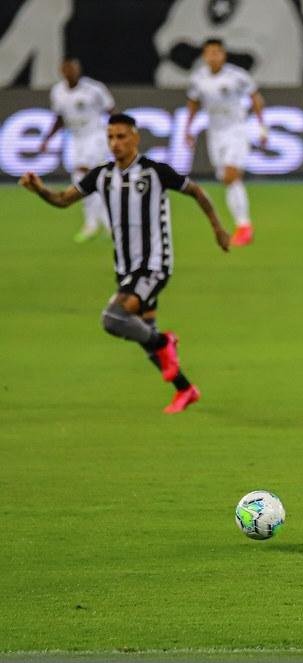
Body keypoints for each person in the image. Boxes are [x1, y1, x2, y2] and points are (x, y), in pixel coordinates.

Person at [19, 113, 231, 414]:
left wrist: (218, 228)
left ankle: (164, 342)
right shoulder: (102, 175)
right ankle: (185, 389)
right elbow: (63, 200)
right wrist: (39, 189)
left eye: (121, 136)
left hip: (155, 264)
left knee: (114, 318)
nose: (115, 143)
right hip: (126, 269)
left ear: (135, 138)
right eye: (110, 137)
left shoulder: (154, 172)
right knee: (140, 329)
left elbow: (196, 191)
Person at [184, 37, 266, 247]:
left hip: (236, 130)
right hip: (215, 133)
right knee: (227, 180)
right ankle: (243, 226)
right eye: (209, 53)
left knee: (231, 175)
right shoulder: (198, 79)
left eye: (217, 52)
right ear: (204, 55)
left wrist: (262, 127)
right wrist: (188, 129)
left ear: (223, 54)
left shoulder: (236, 76)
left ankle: (244, 226)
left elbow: (255, 98)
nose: (213, 57)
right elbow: (193, 103)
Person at [39, 56, 115, 243]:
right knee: (86, 179)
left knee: (84, 174)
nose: (70, 72)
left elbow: (111, 110)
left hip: (95, 135)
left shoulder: (94, 89)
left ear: (78, 69)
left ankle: (93, 224)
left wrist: (118, 134)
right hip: (75, 138)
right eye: (66, 69)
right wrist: (47, 139)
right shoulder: (58, 92)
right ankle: (104, 222)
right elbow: (59, 118)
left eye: (73, 68)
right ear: (61, 71)